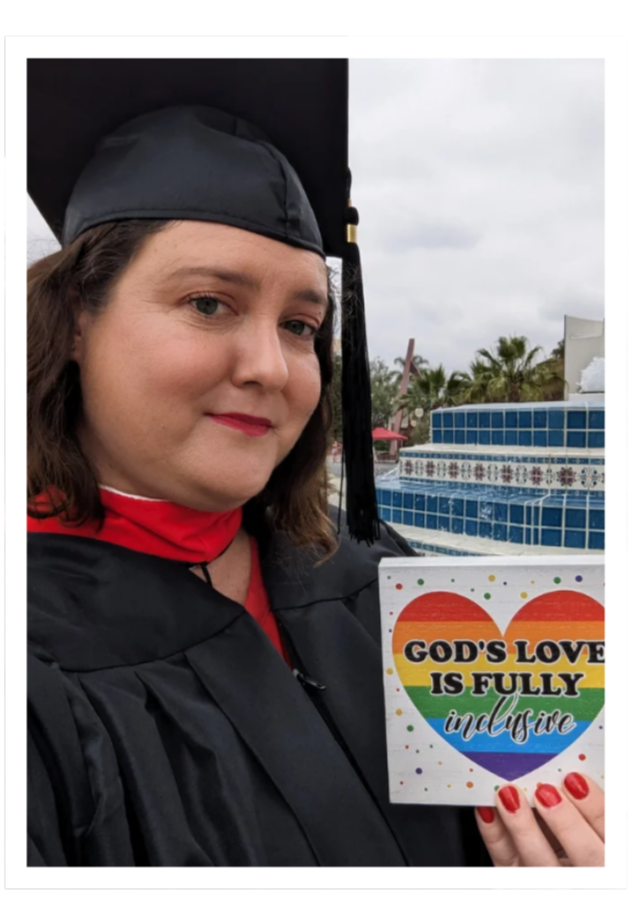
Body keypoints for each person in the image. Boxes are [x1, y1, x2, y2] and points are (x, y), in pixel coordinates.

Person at [27, 59, 604, 867]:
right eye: (208, 303)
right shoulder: (36, 670)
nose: (272, 366)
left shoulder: (369, 576)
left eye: (301, 323)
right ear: (75, 321)